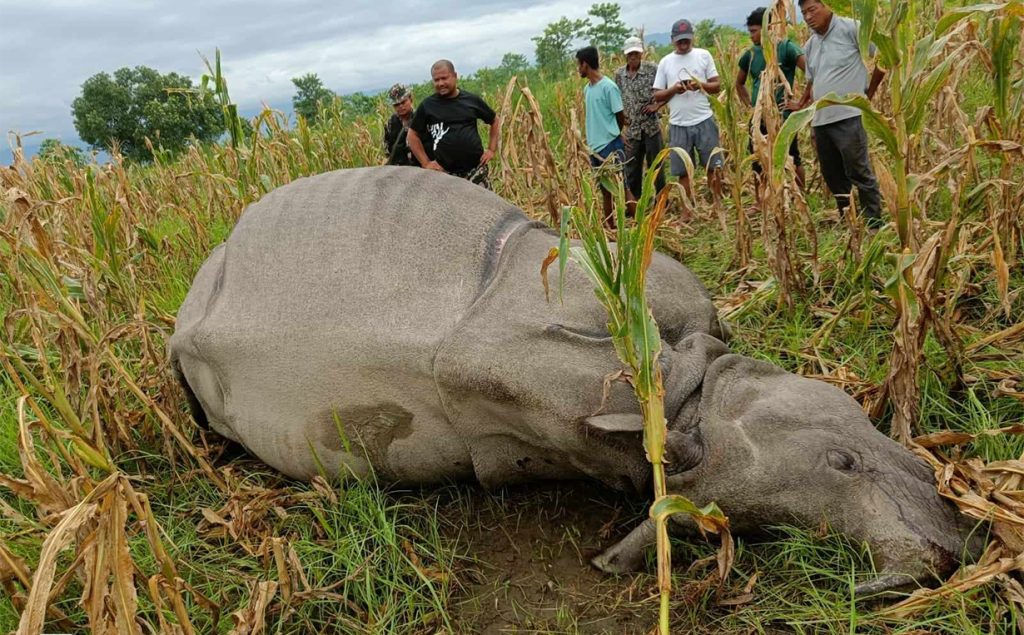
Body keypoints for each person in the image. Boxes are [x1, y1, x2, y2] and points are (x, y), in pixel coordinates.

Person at [789, 0, 885, 228]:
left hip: (849, 115)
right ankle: (848, 219)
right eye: (804, 14)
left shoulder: (852, 28)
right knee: (832, 174)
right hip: (821, 120)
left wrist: (867, 95)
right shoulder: (811, 44)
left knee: (858, 170)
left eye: (813, 10)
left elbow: (883, 58)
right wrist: (803, 104)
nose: (809, 17)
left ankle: (873, 223)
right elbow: (812, 80)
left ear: (828, 5)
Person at [652, 18, 724, 218]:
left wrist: (698, 84)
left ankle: (717, 207)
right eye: (679, 40)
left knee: (713, 166)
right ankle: (687, 210)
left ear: (692, 38)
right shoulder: (665, 62)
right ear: (672, 40)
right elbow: (657, 95)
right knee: (682, 171)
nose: (683, 44)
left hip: (704, 120)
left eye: (687, 40)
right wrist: (674, 89)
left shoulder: (703, 55)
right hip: (678, 124)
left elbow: (717, 85)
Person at [736, 7, 806, 190]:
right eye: (749, 31)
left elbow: (811, 71)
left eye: (754, 31)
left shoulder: (786, 48)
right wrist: (751, 107)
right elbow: (739, 84)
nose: (751, 36)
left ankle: (800, 196)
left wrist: (801, 102)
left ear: (767, 28)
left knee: (791, 156)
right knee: (758, 158)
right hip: (759, 117)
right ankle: (761, 202)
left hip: (783, 115)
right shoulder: (749, 55)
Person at [407, 60, 501, 188]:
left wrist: (491, 149)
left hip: (475, 170)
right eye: (436, 80)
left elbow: (494, 120)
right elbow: (412, 135)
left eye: (444, 78)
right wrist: (426, 163)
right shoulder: (427, 106)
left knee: (485, 207)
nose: (440, 83)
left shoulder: (471, 100)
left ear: (455, 76)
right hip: (445, 175)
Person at [576, 45, 631, 227]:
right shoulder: (588, 89)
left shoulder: (609, 87)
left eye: (579, 64)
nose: (578, 69)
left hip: (610, 145)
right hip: (595, 148)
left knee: (622, 187)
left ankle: (640, 222)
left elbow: (620, 115)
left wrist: (616, 133)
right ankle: (610, 227)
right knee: (605, 190)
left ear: (585, 64)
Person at [614, 36, 666, 201]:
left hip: (651, 127)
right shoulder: (620, 74)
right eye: (630, 54)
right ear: (625, 55)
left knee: (656, 165)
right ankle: (634, 203)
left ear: (641, 54)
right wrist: (623, 119)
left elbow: (667, 88)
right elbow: (619, 97)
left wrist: (658, 105)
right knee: (631, 167)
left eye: (636, 53)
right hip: (633, 129)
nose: (633, 57)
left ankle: (661, 201)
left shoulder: (653, 69)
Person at [383, 83, 416, 166]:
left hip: (420, 168)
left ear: (411, 99)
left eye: (403, 102)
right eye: (396, 104)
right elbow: (387, 149)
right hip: (398, 169)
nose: (401, 106)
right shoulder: (390, 123)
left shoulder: (420, 118)